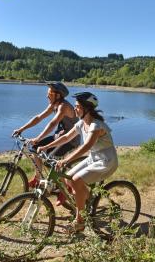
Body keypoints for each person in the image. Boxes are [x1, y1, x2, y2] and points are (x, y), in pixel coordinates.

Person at [37, 91, 118, 234]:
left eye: (78, 107)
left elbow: (86, 146)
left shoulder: (96, 126)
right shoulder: (81, 123)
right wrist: (46, 146)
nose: (75, 109)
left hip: (106, 161)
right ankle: (88, 200)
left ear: (87, 109)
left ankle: (80, 222)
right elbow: (67, 137)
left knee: (76, 180)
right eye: (75, 106)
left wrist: (66, 160)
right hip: (94, 158)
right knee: (68, 178)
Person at [13, 82, 78, 188]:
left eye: (50, 94)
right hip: (59, 136)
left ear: (58, 95)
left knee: (51, 161)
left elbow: (53, 123)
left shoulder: (64, 107)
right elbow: (39, 117)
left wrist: (38, 138)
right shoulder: (54, 105)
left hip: (70, 139)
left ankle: (64, 187)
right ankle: (37, 178)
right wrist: (21, 129)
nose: (47, 96)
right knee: (35, 148)